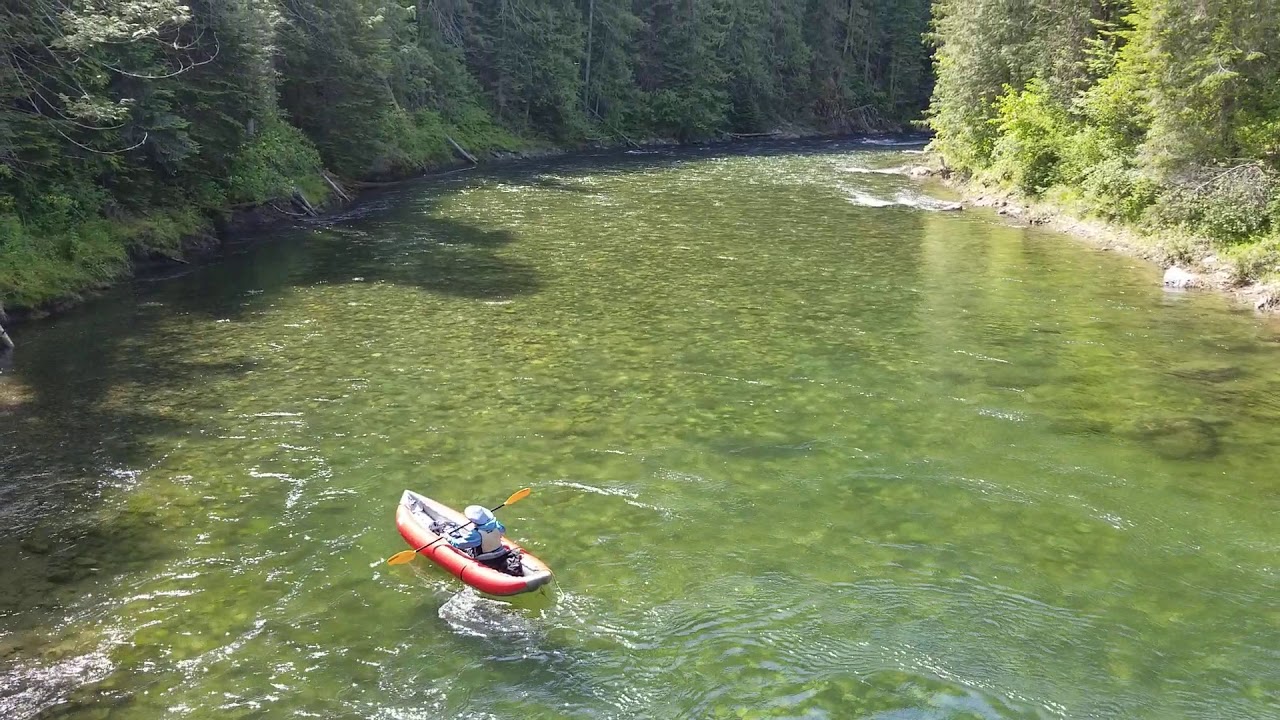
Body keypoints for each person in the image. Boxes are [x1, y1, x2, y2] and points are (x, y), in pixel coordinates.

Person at [445, 505, 516, 572]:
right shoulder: (497, 525)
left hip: (486, 559)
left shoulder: (476, 534)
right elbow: (502, 531)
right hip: (501, 553)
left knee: (464, 545)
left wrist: (448, 538)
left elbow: (460, 544)